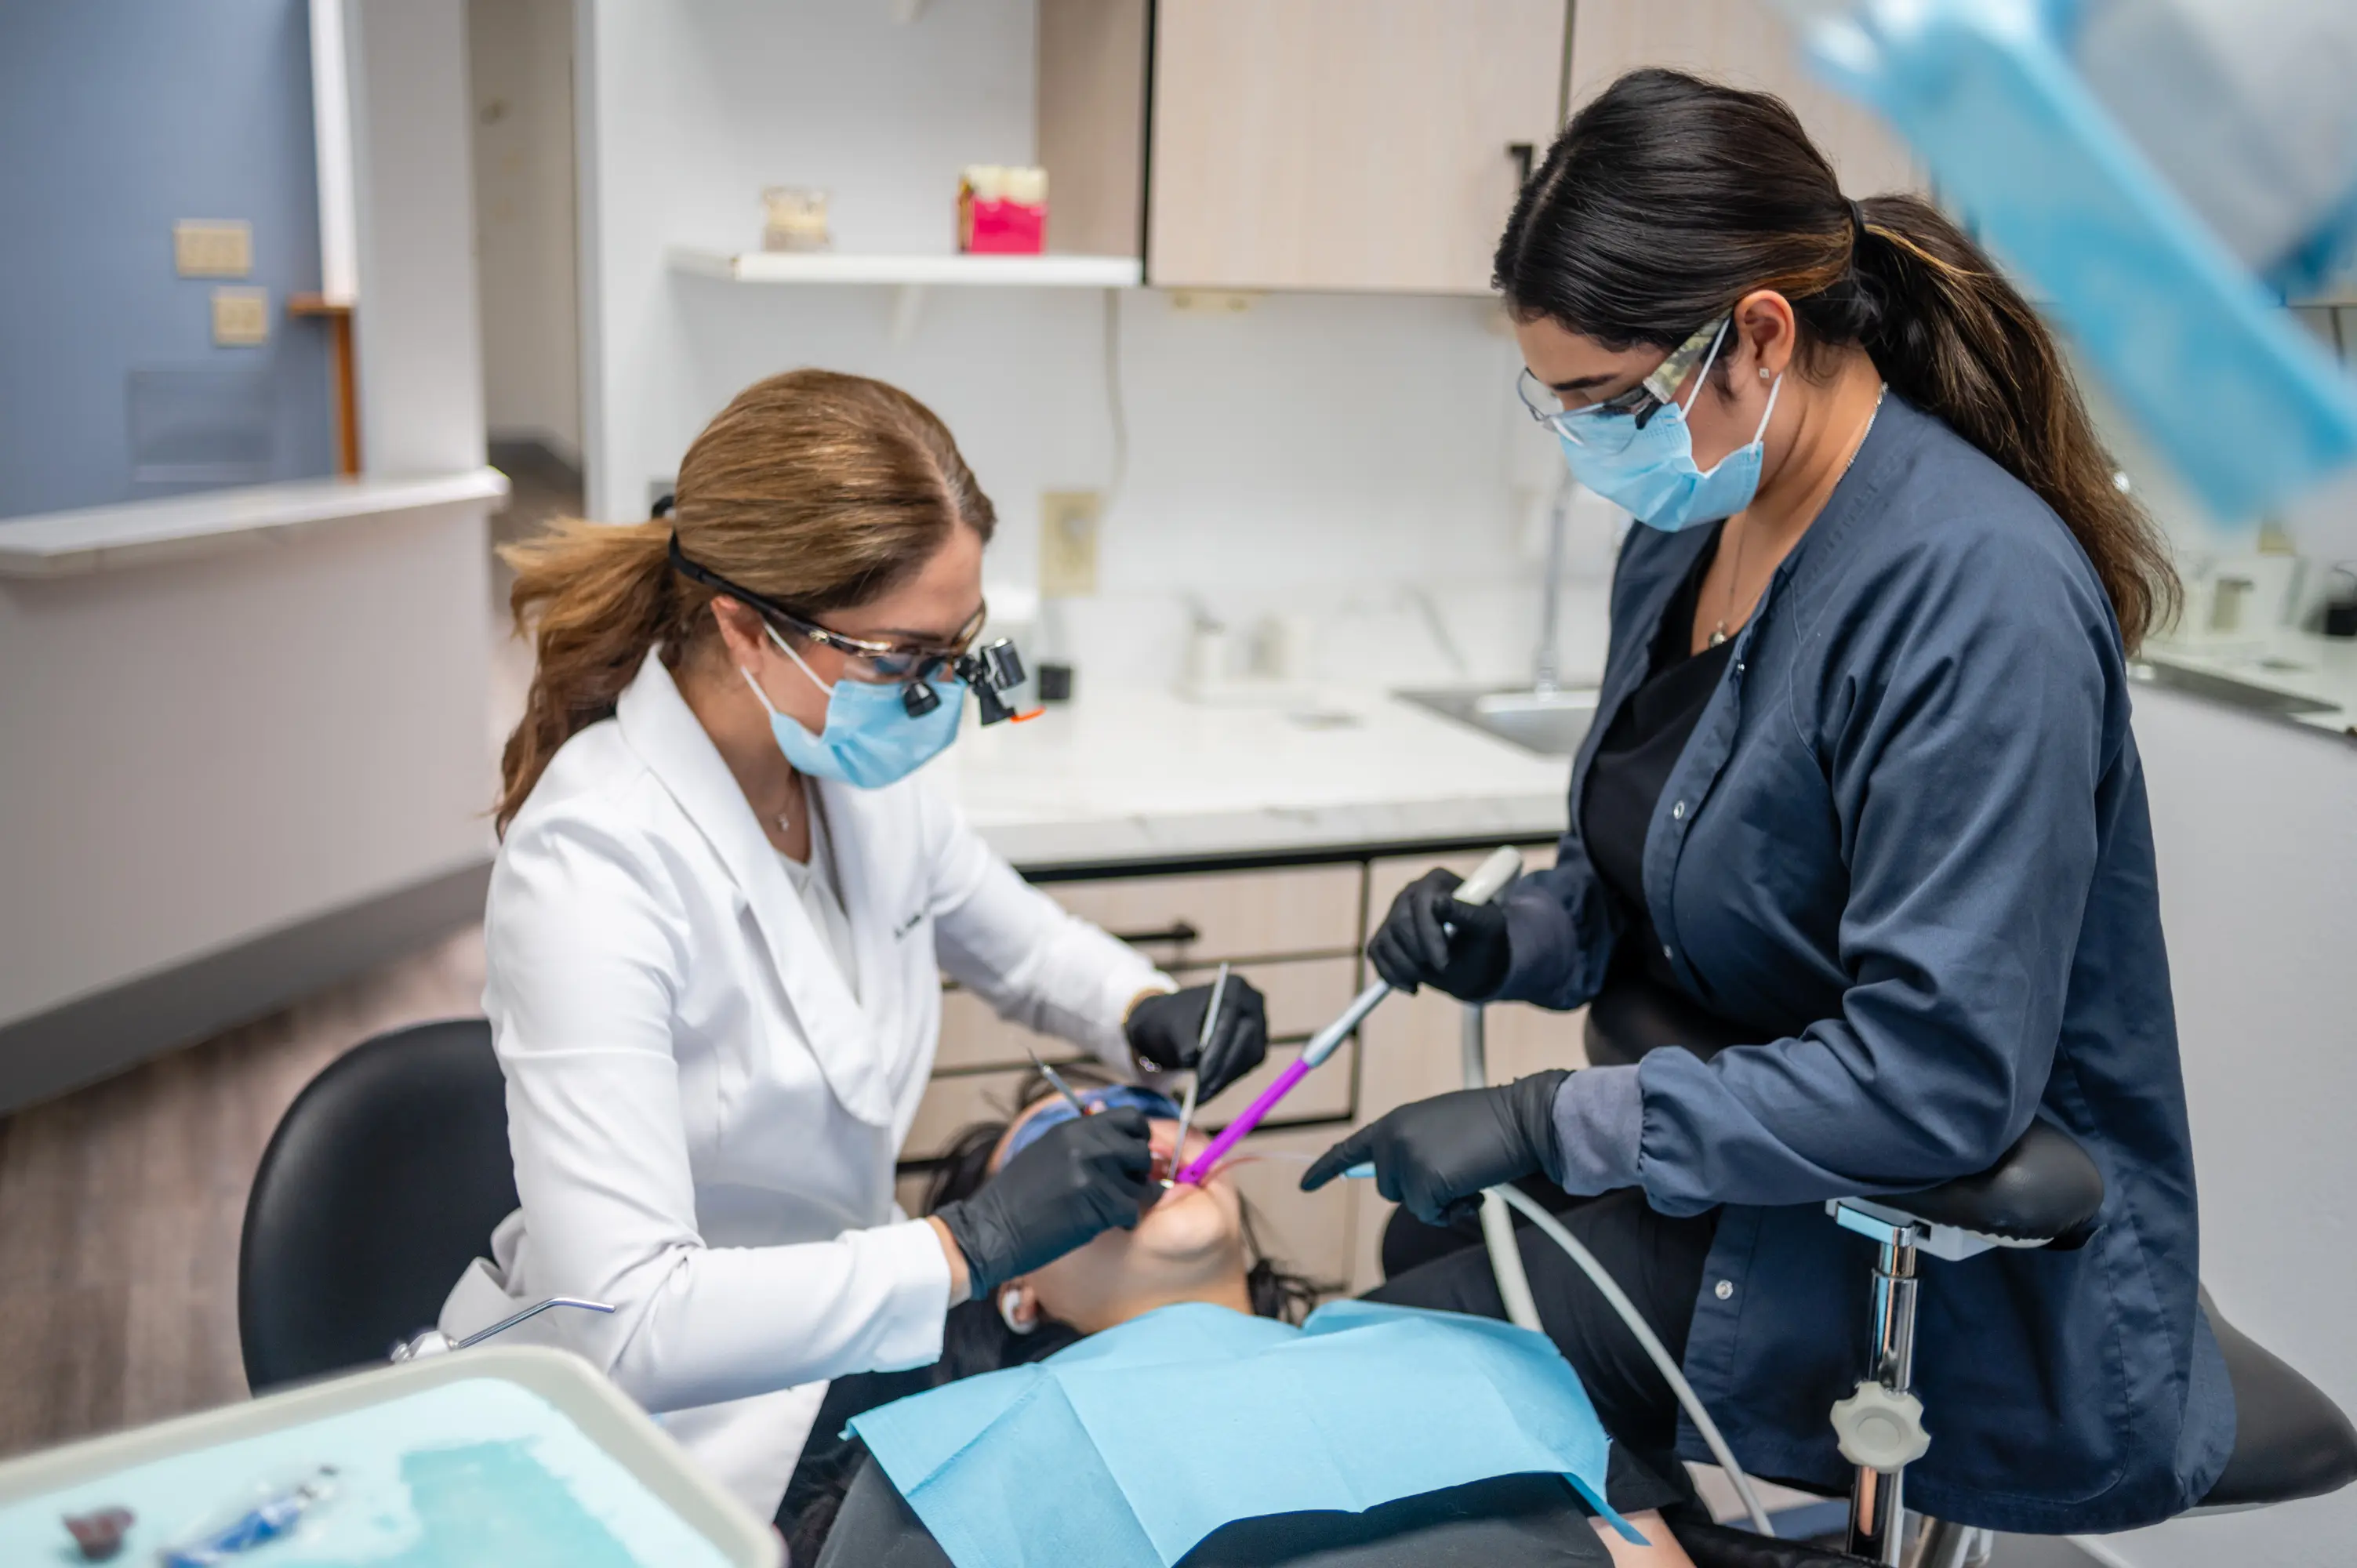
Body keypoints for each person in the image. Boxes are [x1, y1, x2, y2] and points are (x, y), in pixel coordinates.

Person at [1307, 68, 2230, 1535]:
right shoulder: (1691, 537)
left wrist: (1552, 1121)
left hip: (1871, 1251)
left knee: (1422, 1432)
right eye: (1558, 401)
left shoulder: (1971, 595)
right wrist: (1515, 940)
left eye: (1609, 401)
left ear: (1758, 334)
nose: (1586, 444)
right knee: (1390, 1342)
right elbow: (1657, 886)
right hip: (1692, 1180)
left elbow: (1933, 1076)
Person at [436, 370, 1271, 1520]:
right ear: (744, 625)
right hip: (667, 1427)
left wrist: (1140, 1007)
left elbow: (1012, 940)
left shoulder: (851, 763)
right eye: (902, 658)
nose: (934, 698)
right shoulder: (594, 860)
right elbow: (625, 1320)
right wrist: (972, 1244)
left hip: (846, 1355)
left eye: (957, 650)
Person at [789, 1072, 1706, 1568]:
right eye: (1062, 1148)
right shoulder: (948, 1464)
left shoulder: (1470, 1354)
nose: (1131, 1141)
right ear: (1015, 1288)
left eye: (1149, 1110)